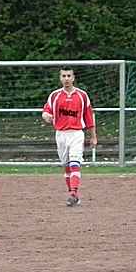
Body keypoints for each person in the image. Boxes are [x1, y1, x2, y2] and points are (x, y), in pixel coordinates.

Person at [42, 68, 97, 206]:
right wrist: (46, 117)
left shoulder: (82, 95)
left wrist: (93, 136)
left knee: (74, 164)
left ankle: (73, 193)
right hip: (60, 135)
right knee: (66, 167)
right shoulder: (54, 96)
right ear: (60, 78)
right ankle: (74, 195)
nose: (66, 78)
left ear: (73, 78)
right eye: (63, 76)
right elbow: (46, 111)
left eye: (69, 76)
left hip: (76, 134)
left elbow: (89, 117)